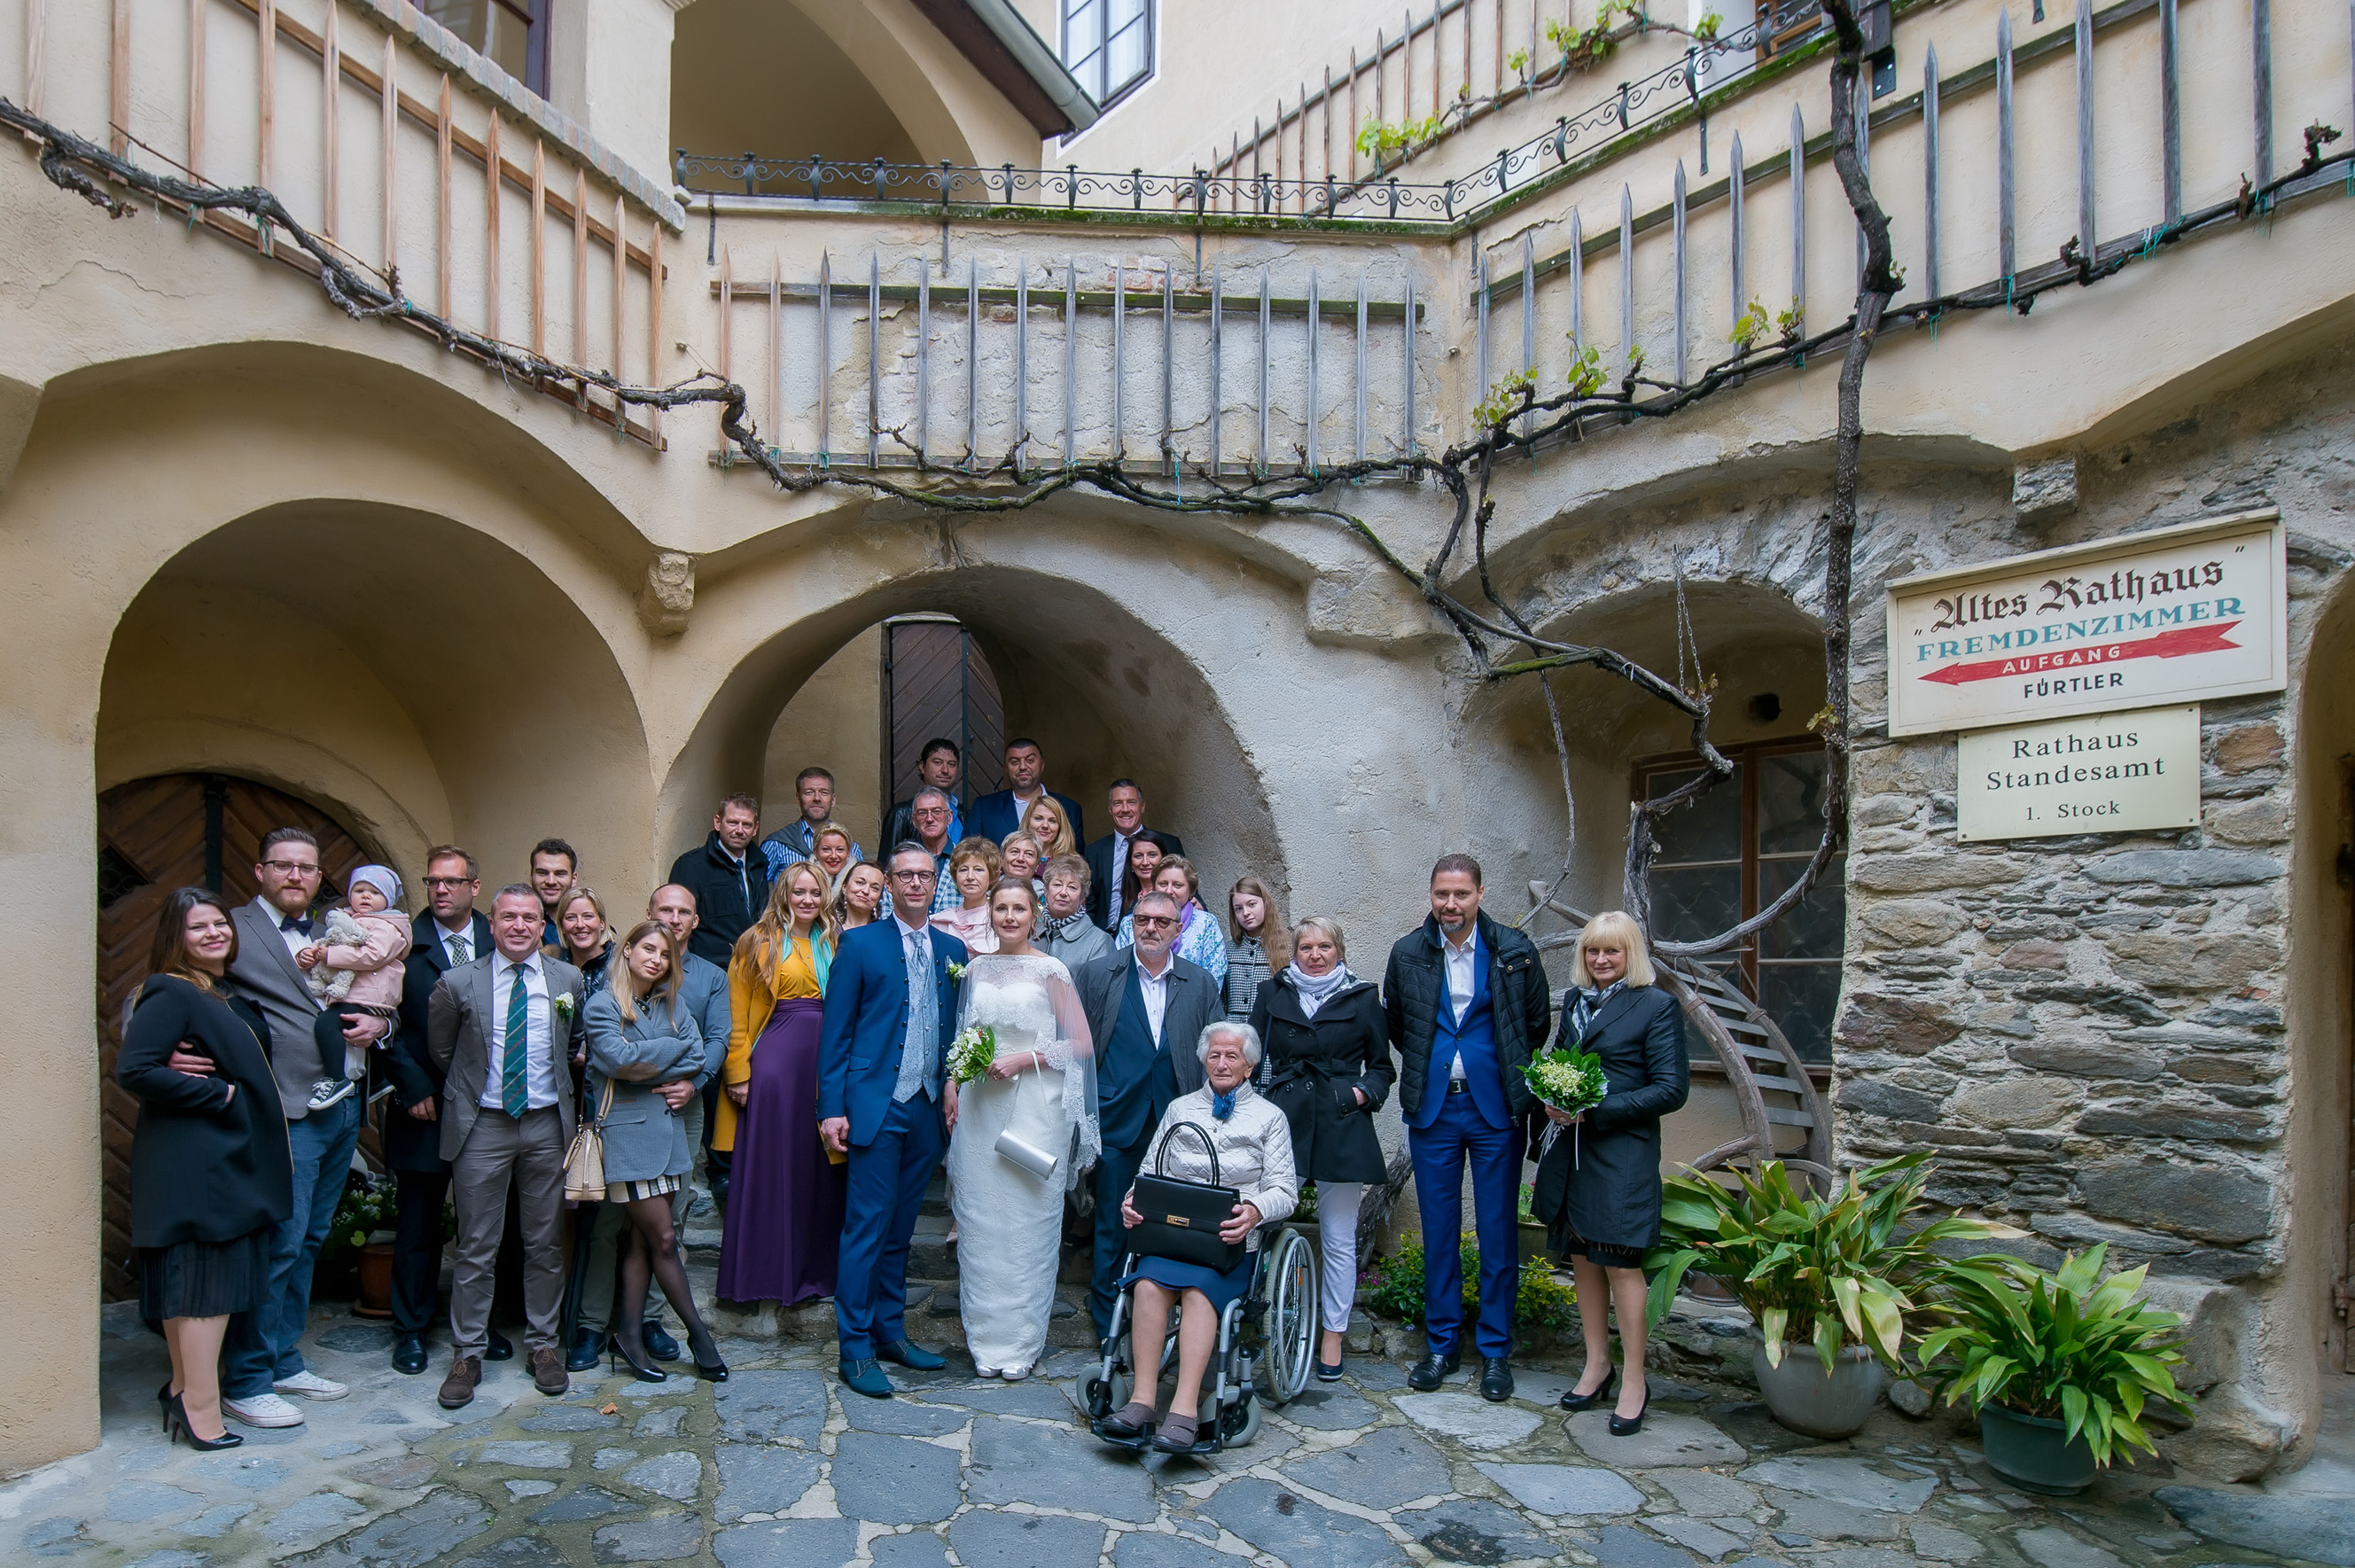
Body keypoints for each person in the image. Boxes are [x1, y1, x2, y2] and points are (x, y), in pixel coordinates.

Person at [118, 889, 294, 1451]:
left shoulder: (216, 990)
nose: (214, 933)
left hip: (218, 1156)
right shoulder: (171, 989)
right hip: (199, 1160)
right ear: (176, 937)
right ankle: (200, 1407)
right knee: (203, 1286)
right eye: (198, 927)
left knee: (193, 1281)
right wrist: (219, 1095)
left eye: (220, 923)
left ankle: (182, 1390)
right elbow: (136, 1069)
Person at [222, 827, 382, 1427]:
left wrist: (381, 1028)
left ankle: (284, 1359)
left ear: (319, 877)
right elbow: (181, 981)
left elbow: (370, 993)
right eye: (283, 865)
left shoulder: (332, 930)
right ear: (260, 870)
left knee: (311, 1240)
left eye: (307, 868)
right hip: (284, 1108)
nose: (295, 876)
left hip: (342, 1104)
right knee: (279, 1242)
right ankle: (247, 1379)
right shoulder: (234, 928)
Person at [1384, 854, 1554, 1404]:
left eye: (1461, 894)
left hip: (1495, 1108)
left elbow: (1534, 1024)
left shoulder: (1514, 951)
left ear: (1480, 894)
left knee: (1498, 1231)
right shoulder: (1408, 952)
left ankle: (1496, 1350)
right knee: (1439, 1232)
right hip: (1434, 1108)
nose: (1451, 904)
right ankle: (1442, 1345)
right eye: (1442, 894)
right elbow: (1399, 1024)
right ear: (1430, 895)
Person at [428, 884, 590, 1409]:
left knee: (545, 1243)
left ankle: (543, 1345)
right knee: (477, 1244)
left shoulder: (567, 980)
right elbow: (443, 1050)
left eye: (529, 918)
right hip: (483, 1126)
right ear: (492, 923)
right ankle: (467, 1353)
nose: (519, 926)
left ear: (543, 926)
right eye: (508, 917)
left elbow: (572, 1043)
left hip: (546, 1125)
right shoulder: (458, 982)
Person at [1100, 1021, 1298, 1454]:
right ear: (1204, 1061)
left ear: (1249, 1066)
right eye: (1214, 1055)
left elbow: (1286, 1191)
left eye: (1232, 1056)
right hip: (1174, 1239)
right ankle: (1141, 1403)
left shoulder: (1270, 1118)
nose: (1221, 1063)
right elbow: (1149, 1172)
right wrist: (1133, 1201)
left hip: (1229, 1247)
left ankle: (1184, 1411)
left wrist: (1255, 1210)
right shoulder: (1180, 1109)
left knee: (1198, 1292)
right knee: (1147, 1286)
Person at [815, 843, 967, 1399]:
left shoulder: (952, 949)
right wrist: (831, 1107)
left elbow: (952, 1027)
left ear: (935, 881)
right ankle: (854, 1348)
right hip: (875, 1104)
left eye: (925, 875)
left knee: (901, 1228)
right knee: (867, 1227)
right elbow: (835, 1032)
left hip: (926, 1108)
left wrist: (950, 1080)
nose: (916, 884)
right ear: (889, 884)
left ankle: (890, 1332)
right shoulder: (860, 944)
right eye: (905, 876)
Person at [1531, 912, 1688, 1436]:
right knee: (1582, 1259)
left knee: (1620, 1264)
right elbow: (1560, 1064)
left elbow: (1671, 1089)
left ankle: (1635, 1380)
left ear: (1630, 955)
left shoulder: (1656, 1006)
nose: (1600, 960)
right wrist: (1551, 1097)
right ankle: (1597, 1365)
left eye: (1612, 951)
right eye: (1592, 951)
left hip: (1621, 1152)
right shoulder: (1577, 1003)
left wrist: (1594, 1110)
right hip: (1572, 1151)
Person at [568, 885, 729, 1369]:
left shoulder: (672, 1005)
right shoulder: (602, 1005)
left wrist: (648, 1057)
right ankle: (700, 1338)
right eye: (648, 949)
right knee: (661, 1239)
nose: (657, 959)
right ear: (628, 950)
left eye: (664, 955)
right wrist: (668, 1051)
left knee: (645, 1240)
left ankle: (630, 1337)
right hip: (627, 1138)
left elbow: (698, 1054)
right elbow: (617, 1061)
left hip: (670, 1135)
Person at [945, 878, 1098, 1380]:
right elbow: (964, 1034)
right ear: (989, 913)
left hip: (1035, 1107)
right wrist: (952, 1083)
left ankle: (1020, 1343)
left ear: (1035, 915)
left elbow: (1081, 1043)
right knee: (981, 1221)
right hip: (981, 1107)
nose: (1009, 917)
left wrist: (1024, 1058)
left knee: (1026, 1222)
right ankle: (985, 1340)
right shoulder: (976, 969)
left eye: (1019, 909)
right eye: (1001, 908)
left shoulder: (1051, 970)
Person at [1073, 891, 1224, 1341]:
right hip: (1117, 1117)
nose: (1151, 928)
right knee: (1113, 1223)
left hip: (1177, 1124)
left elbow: (1216, 1050)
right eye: (1142, 920)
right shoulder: (1099, 974)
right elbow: (1080, 1047)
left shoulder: (1199, 982)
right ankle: (1108, 1324)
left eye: (1162, 921)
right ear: (1131, 924)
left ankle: (1160, 1320)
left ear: (1178, 929)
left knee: (1171, 1226)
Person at [1250, 917, 1392, 1380]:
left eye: (1324, 946)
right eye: (1306, 947)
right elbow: (1250, 1056)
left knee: (1338, 1238)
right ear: (1294, 952)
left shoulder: (1362, 996)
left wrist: (1359, 1094)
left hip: (1341, 1120)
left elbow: (1383, 1067)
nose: (1315, 955)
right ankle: (1257, 1318)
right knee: (1263, 1223)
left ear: (1339, 951)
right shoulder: (1274, 991)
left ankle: (1332, 1335)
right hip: (1285, 1119)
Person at [383, 847, 492, 1377]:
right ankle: (411, 1328)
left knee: (486, 1225)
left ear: (475, 887)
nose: (441, 890)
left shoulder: (500, 936)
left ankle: (484, 1324)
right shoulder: (402, 944)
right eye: (432, 882)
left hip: (490, 1107)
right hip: (424, 1105)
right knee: (419, 1223)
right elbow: (383, 1021)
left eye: (452, 881)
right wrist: (413, 1086)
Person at [716, 862, 845, 1307]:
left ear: (825, 897)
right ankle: (763, 1276)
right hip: (774, 1064)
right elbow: (736, 1011)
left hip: (824, 1062)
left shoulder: (835, 940)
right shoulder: (757, 940)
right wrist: (738, 1072)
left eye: (815, 893)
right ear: (783, 894)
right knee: (773, 1167)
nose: (807, 900)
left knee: (816, 1169)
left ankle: (813, 1275)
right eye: (798, 892)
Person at [294, 864, 410, 1108]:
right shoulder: (348, 919)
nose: (366, 896)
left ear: (388, 900)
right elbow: (330, 940)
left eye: (375, 892)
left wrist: (330, 955)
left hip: (372, 994)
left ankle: (336, 1079)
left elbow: (373, 955)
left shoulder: (389, 926)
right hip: (359, 992)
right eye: (359, 891)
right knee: (356, 1034)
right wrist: (309, 953)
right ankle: (378, 1081)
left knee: (327, 1025)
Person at [668, 793, 769, 966]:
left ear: (755, 829)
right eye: (732, 823)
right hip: (707, 968)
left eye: (746, 824)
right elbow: (678, 923)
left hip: (752, 966)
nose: (739, 830)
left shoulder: (759, 864)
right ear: (717, 822)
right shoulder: (691, 866)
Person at [1083, 781, 1186, 932]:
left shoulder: (1169, 844)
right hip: (1103, 935)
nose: (1125, 809)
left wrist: (1198, 905)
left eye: (1131, 802)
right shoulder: (1094, 851)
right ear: (1110, 809)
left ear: (1142, 806)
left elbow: (1187, 888)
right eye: (1118, 803)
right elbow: (1089, 904)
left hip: (1151, 932)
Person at [1117, 856, 1228, 986]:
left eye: (1177, 885)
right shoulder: (1131, 923)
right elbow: (1120, 970)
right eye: (1163, 884)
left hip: (1191, 997)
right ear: (1153, 887)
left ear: (1191, 891)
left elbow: (1214, 976)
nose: (1169, 891)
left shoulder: (1206, 923)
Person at [972, 737, 1086, 846]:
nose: (1022, 767)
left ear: (1042, 765)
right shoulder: (984, 808)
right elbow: (969, 853)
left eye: (1030, 760)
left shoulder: (1070, 808)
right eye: (1015, 762)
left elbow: (1077, 856)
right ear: (1006, 768)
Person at [761, 767, 867, 876]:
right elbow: (758, 885)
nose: (817, 798)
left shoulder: (852, 849)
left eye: (824, 793)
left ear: (833, 800)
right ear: (798, 799)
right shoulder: (776, 844)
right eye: (809, 792)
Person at [883, 738, 963, 852]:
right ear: (922, 766)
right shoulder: (901, 814)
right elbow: (887, 860)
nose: (945, 770)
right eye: (937, 762)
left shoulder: (962, 813)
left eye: (951, 764)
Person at [1226, 876, 1288, 1023]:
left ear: (1265, 903)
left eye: (1252, 904)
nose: (1245, 913)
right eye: (1238, 909)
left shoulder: (1288, 949)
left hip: (1270, 1030)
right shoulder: (1227, 950)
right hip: (1233, 1030)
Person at [930, 837, 1003, 953]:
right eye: (963, 870)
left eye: (978, 870)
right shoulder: (940, 922)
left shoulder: (1001, 920)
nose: (970, 877)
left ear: (991, 876)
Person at [1041, 855, 1113, 971]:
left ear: (1083, 897)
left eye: (1072, 887)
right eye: (1057, 885)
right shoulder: (1029, 930)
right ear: (1046, 891)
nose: (1063, 892)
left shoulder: (1099, 941)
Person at [546, 886, 615, 997]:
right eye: (571, 918)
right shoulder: (550, 968)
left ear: (602, 923)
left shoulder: (621, 964)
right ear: (562, 926)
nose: (580, 925)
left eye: (588, 916)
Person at [905, 790, 962, 916]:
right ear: (914, 821)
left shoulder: (965, 861)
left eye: (936, 811)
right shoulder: (902, 862)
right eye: (922, 813)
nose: (930, 819)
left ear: (949, 817)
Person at [1112, 831, 1174, 937]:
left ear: (1164, 858)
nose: (1145, 862)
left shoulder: (1172, 893)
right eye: (1138, 856)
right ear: (1131, 863)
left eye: (1152, 855)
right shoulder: (1127, 896)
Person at [528, 839, 579, 948]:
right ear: (531, 877)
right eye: (542, 873)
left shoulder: (587, 925)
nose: (551, 881)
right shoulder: (515, 924)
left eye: (560, 874)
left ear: (574, 879)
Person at [1021, 795, 1080, 863]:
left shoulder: (1072, 865)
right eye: (1038, 819)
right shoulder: (1013, 858)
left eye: (1052, 821)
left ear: (1060, 827)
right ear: (1027, 822)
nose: (1045, 825)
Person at [835, 861, 887, 931]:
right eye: (860, 883)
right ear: (844, 887)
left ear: (879, 897)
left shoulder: (883, 932)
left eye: (874, 888)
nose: (866, 891)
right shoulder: (827, 927)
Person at [997, 831, 1046, 895]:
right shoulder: (986, 890)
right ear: (1002, 858)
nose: (1020, 858)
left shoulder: (1048, 897)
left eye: (1029, 854)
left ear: (1037, 865)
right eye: (1015, 851)